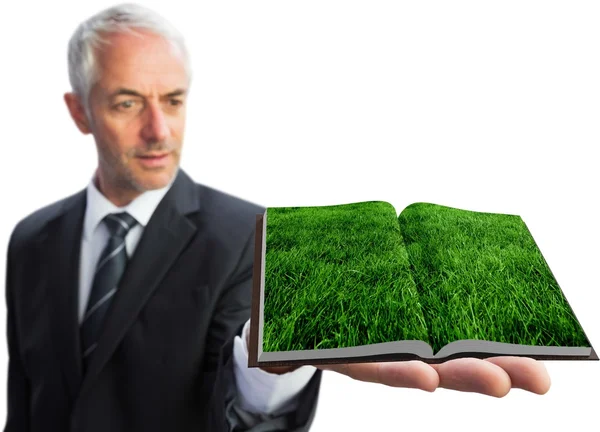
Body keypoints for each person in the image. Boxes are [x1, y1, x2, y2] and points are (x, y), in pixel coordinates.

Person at [3, 3, 551, 432]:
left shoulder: (248, 234)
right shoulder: (30, 239)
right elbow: (28, 405)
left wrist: (274, 363)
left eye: (172, 100)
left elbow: (240, 414)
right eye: (127, 103)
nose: (159, 131)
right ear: (80, 111)